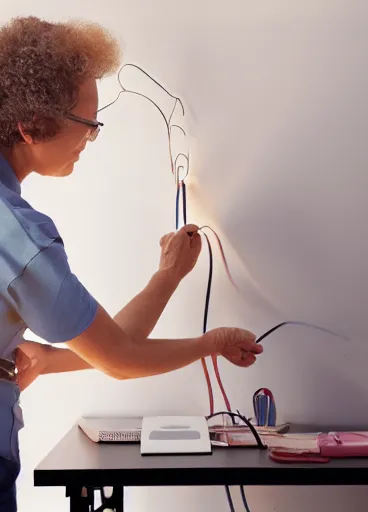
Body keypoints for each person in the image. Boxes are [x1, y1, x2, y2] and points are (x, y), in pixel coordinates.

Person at [0, 16, 262, 511]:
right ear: (31, 126)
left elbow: (107, 346)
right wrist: (213, 341)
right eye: (88, 126)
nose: (91, 139)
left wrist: (167, 277)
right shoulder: (17, 233)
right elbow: (119, 357)